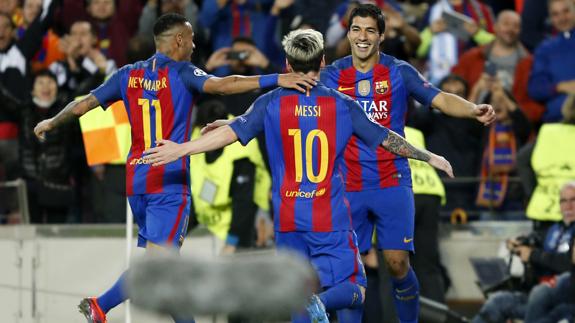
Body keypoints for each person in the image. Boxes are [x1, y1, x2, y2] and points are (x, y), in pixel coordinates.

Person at [143, 28, 454, 323]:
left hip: (289, 219)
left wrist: (181, 149)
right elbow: (387, 139)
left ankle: (311, 303)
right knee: (355, 289)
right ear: (322, 62)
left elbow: (229, 136)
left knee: (297, 292)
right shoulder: (342, 105)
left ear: (287, 64)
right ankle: (321, 303)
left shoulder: (271, 102)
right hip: (329, 218)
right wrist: (429, 157)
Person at [33, 13, 316, 323]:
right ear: (179, 40)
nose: (195, 45)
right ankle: (101, 305)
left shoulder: (127, 74)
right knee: (160, 267)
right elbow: (224, 84)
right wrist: (276, 78)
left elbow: (83, 104)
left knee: (167, 271)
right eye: (191, 38)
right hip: (169, 182)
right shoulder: (182, 72)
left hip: (137, 181)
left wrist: (52, 120)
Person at [319, 4, 495, 322]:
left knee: (397, 264)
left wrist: (472, 109)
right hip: (348, 184)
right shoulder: (331, 75)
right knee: (347, 268)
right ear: (348, 33)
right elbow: (293, 98)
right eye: (356, 29)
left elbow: (439, 98)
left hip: (392, 180)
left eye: (370, 30)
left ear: (382, 36)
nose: (362, 36)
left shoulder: (399, 71)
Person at [471, 181, 575, 323]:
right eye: (563, 201)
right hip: (536, 295)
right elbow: (533, 238)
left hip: (564, 300)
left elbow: (569, 264)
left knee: (540, 295)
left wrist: (533, 255)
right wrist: (519, 244)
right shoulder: (552, 229)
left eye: (573, 200)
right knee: (498, 301)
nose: (568, 206)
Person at [527, 0, 575, 123]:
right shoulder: (544, 49)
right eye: (555, 14)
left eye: (566, 11)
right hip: (559, 119)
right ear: (551, 19)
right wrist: (560, 87)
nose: (562, 18)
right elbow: (535, 88)